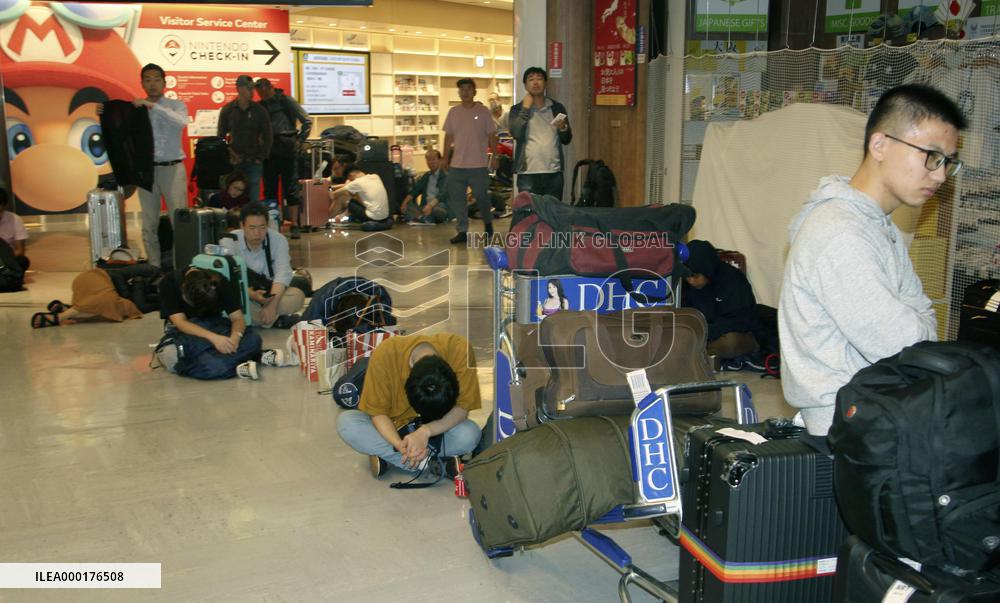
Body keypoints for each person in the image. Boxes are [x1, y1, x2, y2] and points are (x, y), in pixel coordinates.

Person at [778, 84, 965, 436]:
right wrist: (915, 323)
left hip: (878, 412)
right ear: (879, 145)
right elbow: (906, 347)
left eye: (948, 162)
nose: (940, 175)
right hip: (851, 430)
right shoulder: (840, 233)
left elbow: (924, 322)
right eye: (932, 155)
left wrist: (915, 323)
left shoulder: (875, 224)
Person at [336, 332, 482, 478]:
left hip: (436, 431)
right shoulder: (385, 353)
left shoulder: (460, 349)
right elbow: (377, 413)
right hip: (393, 429)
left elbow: (462, 408)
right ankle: (429, 462)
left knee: (470, 434)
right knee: (347, 422)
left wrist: (425, 431)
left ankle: (391, 458)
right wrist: (399, 444)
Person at [156, 266, 284, 380]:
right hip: (187, 331)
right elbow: (180, 323)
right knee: (172, 356)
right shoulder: (169, 283)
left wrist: (235, 338)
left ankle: (229, 363)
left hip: (215, 325)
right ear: (183, 290)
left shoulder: (218, 281)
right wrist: (214, 339)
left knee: (254, 339)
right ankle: (248, 359)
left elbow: (238, 318)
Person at [131, 63, 188, 268]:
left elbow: (181, 122)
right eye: (147, 79)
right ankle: (154, 268)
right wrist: (102, 112)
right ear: (142, 83)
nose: (152, 84)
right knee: (149, 224)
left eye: (156, 79)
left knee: (179, 222)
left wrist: (153, 107)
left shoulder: (176, 105)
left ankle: (181, 267)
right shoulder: (136, 109)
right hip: (147, 171)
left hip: (173, 169)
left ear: (164, 82)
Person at [220, 202, 305, 329]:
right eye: (252, 228)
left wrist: (272, 304)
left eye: (262, 227)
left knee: (297, 296)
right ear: (242, 226)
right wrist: (250, 294)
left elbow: (283, 272)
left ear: (268, 225)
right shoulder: (229, 241)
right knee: (227, 303)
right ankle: (275, 320)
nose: (257, 233)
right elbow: (228, 277)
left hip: (270, 293)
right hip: (243, 294)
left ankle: (257, 318)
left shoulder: (278, 240)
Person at [681, 240, 760, 363]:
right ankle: (700, 356)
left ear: (707, 269)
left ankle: (694, 355)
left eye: (695, 276)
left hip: (731, 334)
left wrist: (706, 331)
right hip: (702, 335)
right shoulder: (685, 285)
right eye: (687, 276)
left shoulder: (732, 279)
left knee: (730, 343)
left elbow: (741, 320)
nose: (691, 281)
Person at [254, 78, 312, 237]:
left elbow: (307, 120)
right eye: (259, 92)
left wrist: (299, 140)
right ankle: (274, 226)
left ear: (270, 88)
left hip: (287, 149)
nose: (262, 95)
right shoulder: (261, 106)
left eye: (264, 91)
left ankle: (295, 225)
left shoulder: (286, 101)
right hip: (269, 152)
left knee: (291, 188)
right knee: (270, 190)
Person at [442, 78, 498, 244]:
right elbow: (448, 136)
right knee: (458, 199)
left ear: (474, 92)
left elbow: (492, 136)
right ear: (459, 92)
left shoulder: (483, 111)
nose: (465, 92)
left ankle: (488, 224)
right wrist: (445, 157)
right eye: (462, 89)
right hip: (457, 165)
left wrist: (495, 156)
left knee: (481, 197)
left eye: (468, 89)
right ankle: (462, 230)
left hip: (478, 165)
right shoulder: (453, 112)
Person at [508, 67, 573, 198]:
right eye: (531, 79)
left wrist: (563, 128)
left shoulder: (556, 107)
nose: (536, 82)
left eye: (539, 78)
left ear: (546, 83)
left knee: (554, 213)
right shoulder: (517, 109)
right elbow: (516, 133)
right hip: (527, 173)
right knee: (529, 214)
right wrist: (525, 109)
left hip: (554, 172)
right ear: (525, 85)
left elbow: (567, 139)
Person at [217, 75, 272, 202]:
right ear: (240, 89)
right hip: (234, 162)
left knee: (253, 197)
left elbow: (268, 136)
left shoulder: (260, 111)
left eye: (252, 89)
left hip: (254, 162)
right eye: (249, 89)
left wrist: (261, 157)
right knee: (233, 198)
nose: (252, 92)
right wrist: (230, 154)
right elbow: (221, 137)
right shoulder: (228, 110)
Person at [400, 149, 450, 224]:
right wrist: (404, 202)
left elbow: (442, 194)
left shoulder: (446, 176)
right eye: (428, 160)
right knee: (407, 205)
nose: (431, 162)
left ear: (439, 160)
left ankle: (421, 218)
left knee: (436, 210)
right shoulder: (426, 176)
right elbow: (415, 190)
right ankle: (425, 218)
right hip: (425, 207)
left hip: (439, 206)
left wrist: (430, 205)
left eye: (433, 159)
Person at [0, 189, 29, 272]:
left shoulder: (15, 219)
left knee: (22, 261)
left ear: (5, 206)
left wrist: (4, 258)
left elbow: (20, 251)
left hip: (7, 258)